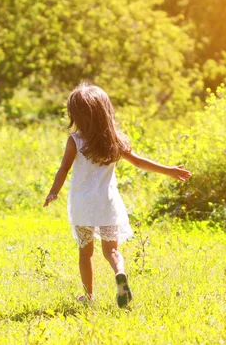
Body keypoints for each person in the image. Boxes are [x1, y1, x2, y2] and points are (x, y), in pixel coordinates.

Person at [43, 83, 192, 308]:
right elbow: (140, 162)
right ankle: (120, 272)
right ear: (105, 111)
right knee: (111, 250)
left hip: (83, 204)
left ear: (76, 115)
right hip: (107, 204)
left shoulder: (76, 141)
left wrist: (54, 191)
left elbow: (64, 168)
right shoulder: (115, 140)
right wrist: (169, 170)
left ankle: (89, 296)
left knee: (86, 252)